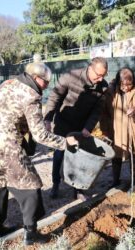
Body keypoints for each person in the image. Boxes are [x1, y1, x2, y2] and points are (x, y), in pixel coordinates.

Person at [0, 57, 77, 245]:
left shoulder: (8, 83)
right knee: (30, 187)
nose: (46, 86)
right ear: (36, 77)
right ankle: (31, 233)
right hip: (6, 148)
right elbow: (41, 136)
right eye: (45, 82)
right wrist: (65, 143)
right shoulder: (32, 96)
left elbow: (10, 113)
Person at [44, 57, 108, 200]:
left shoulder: (103, 87)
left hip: (80, 127)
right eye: (98, 75)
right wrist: (48, 119)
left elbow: (97, 111)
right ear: (90, 68)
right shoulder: (70, 77)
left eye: (104, 75)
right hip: (62, 124)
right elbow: (55, 97)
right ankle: (56, 184)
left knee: (80, 158)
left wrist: (88, 128)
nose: (101, 79)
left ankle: (78, 188)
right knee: (59, 155)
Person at [100, 67, 135, 187]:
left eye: (129, 84)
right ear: (118, 82)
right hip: (117, 130)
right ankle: (115, 180)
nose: (127, 87)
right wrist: (105, 129)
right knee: (116, 156)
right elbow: (104, 112)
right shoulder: (110, 91)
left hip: (133, 130)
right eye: (124, 84)